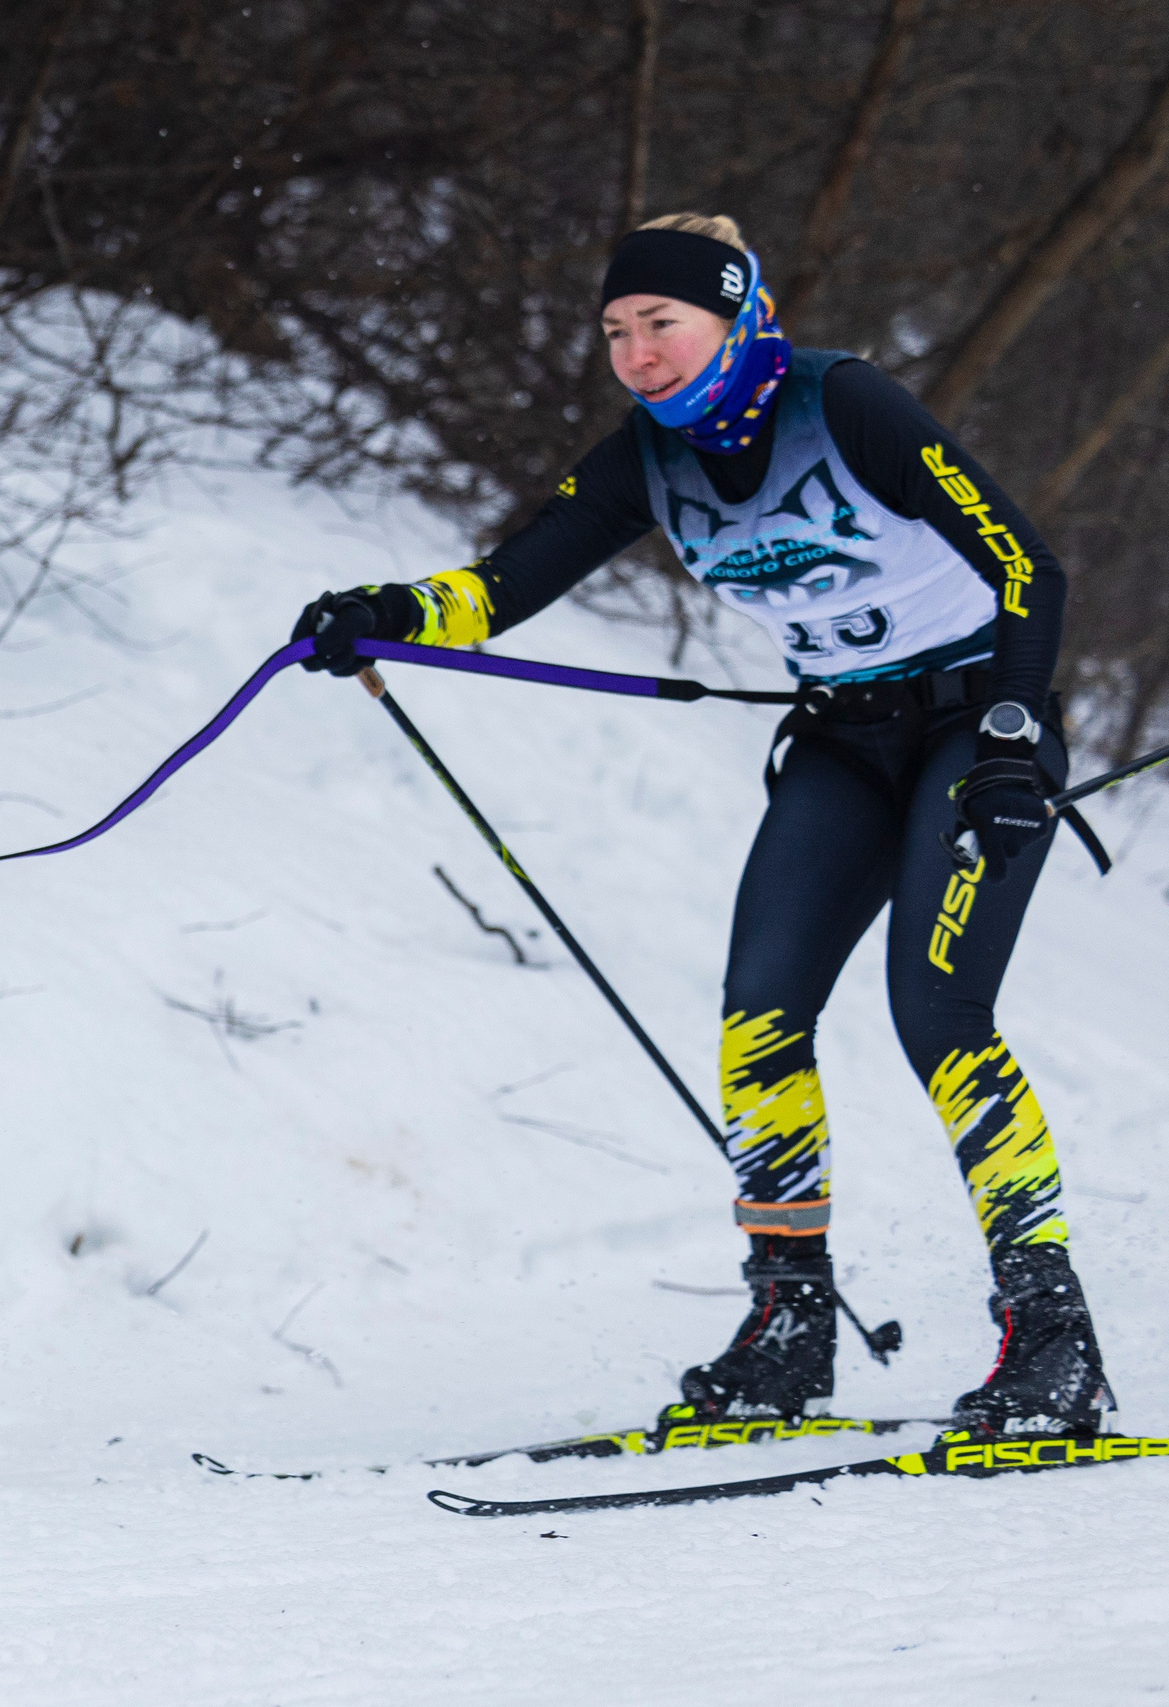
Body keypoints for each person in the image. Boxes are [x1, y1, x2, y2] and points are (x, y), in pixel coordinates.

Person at [292, 213, 1112, 1437]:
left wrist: (1005, 738)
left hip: (972, 733)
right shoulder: (645, 456)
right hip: (843, 742)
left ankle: (1052, 1342)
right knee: (759, 1016)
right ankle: (789, 1325)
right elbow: (507, 583)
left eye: (660, 323)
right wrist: (387, 612)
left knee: (935, 1013)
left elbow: (1026, 567)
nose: (636, 351)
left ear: (735, 319)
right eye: (616, 330)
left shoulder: (847, 406)